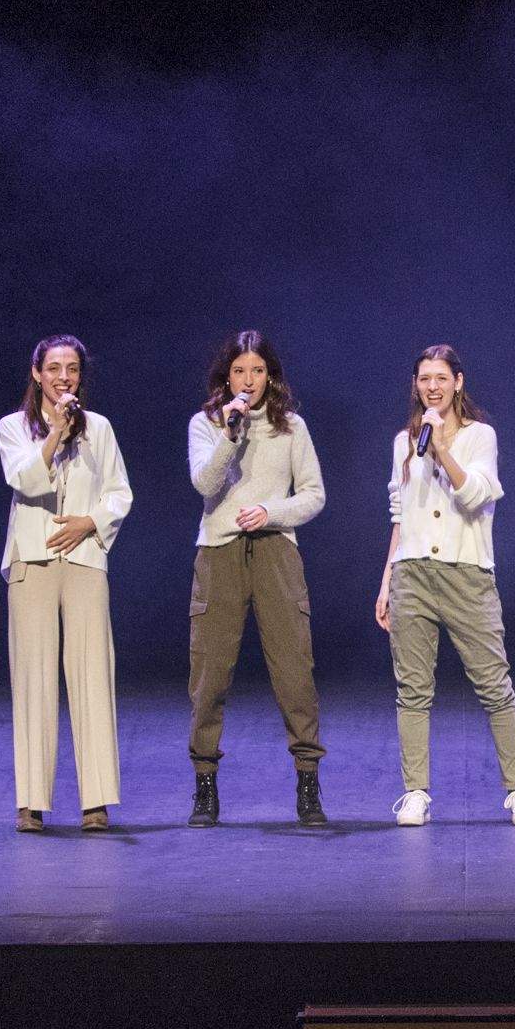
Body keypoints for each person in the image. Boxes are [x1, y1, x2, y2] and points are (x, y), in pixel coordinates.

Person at [377, 343, 515, 825]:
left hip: (468, 574)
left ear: (458, 382)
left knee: (494, 684)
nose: (433, 386)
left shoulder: (479, 436)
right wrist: (386, 580)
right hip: (412, 574)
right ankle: (416, 792)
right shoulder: (404, 442)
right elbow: (400, 516)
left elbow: (474, 497)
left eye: (441, 378)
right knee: (413, 689)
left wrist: (442, 447)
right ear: (416, 384)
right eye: (424, 378)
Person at [185, 329, 328, 828]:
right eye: (240, 371)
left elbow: (313, 495)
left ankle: (308, 782)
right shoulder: (207, 424)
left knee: (294, 669)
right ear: (227, 375)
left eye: (258, 371)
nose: (249, 381)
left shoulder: (293, 428)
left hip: (276, 551)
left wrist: (270, 510)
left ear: (272, 376)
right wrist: (229, 433)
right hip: (219, 553)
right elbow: (204, 482)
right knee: (210, 673)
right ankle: (205, 785)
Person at [0, 334, 132, 832]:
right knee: (33, 677)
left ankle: (95, 800)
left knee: (92, 674)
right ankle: (31, 800)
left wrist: (89, 523)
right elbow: (25, 479)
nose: (63, 378)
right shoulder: (14, 427)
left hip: (84, 559)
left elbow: (120, 493)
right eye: (54, 369)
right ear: (37, 374)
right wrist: (53, 431)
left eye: (72, 369)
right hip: (32, 558)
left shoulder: (99, 429)